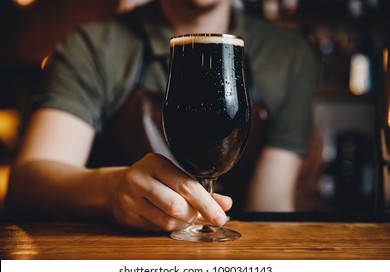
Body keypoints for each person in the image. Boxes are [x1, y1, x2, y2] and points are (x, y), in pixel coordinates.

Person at [5, 0, 318, 231]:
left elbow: (271, 204)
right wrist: (110, 190)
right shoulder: (93, 46)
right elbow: (26, 185)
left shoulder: (289, 55)